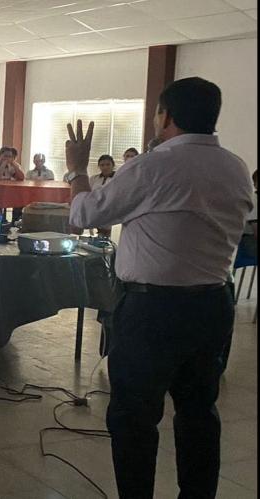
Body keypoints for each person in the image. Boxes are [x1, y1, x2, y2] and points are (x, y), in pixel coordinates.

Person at [65, 77, 253, 499]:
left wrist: (78, 168)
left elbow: (83, 215)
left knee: (134, 417)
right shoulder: (235, 167)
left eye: (156, 112)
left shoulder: (151, 167)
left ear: (166, 115)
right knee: (198, 412)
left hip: (154, 312)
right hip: (213, 307)